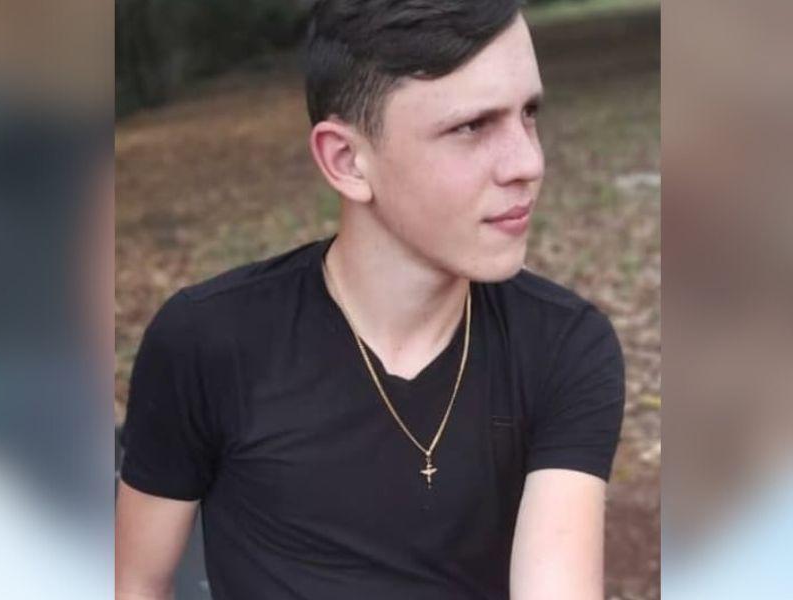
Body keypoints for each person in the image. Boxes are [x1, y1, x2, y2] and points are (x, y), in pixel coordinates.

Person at [115, 1, 625, 599]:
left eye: (529, 114)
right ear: (347, 161)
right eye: (472, 127)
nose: (528, 163)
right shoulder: (210, 343)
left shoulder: (562, 347)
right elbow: (137, 583)